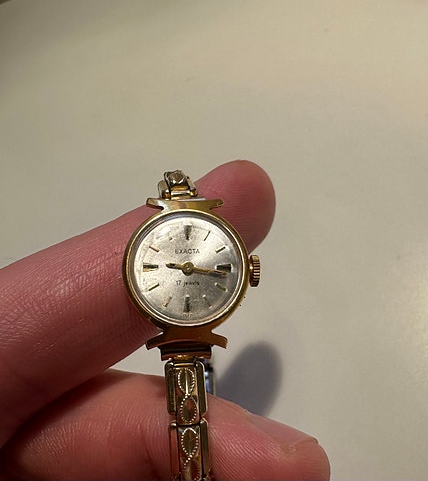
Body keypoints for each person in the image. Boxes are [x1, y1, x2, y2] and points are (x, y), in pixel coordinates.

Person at [0, 160, 330, 480]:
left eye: (192, 265)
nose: (187, 267)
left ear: (248, 271)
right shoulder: (161, 258)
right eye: (181, 266)